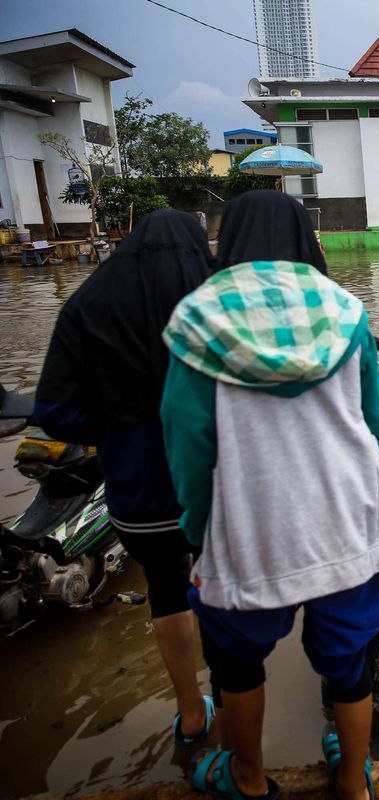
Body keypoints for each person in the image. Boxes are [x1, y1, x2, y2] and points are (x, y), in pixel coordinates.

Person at [162, 190, 379, 800]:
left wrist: (199, 535)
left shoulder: (198, 320)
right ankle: (354, 782)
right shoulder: (346, 314)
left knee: (236, 662)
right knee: (348, 663)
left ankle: (248, 779)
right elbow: (376, 424)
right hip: (346, 519)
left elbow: (189, 444)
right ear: (308, 240)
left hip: (252, 525)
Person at [35, 210, 219, 750]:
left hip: (139, 494)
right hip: (213, 487)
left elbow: (54, 411)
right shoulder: (218, 303)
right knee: (227, 590)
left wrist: (117, 425)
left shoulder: (86, 305)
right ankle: (240, 700)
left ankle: (190, 715)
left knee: (166, 591)